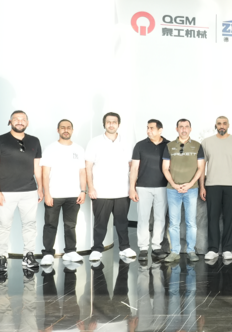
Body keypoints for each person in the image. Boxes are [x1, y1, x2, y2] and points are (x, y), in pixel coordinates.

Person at [0, 110, 43, 271]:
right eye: (16, 119)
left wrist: (40, 187)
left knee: (30, 225)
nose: (20, 121)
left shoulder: (34, 141)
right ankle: (1, 257)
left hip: (29, 191)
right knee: (3, 225)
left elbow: (37, 167)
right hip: (6, 192)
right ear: (10, 121)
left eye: (23, 119)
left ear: (27, 122)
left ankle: (28, 255)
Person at [85, 112, 134, 262]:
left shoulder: (126, 142)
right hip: (101, 191)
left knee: (122, 222)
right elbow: (88, 166)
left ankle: (125, 248)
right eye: (108, 122)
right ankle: (96, 249)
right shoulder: (94, 142)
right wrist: (91, 187)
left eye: (114, 122)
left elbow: (131, 166)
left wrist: (132, 187)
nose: (111, 124)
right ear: (104, 124)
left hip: (122, 190)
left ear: (118, 124)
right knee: (100, 223)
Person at [40, 119, 86, 266]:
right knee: (50, 225)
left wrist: (83, 191)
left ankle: (70, 251)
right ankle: (48, 253)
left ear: (72, 130)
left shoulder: (79, 149)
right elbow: (45, 173)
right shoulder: (50, 148)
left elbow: (82, 172)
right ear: (58, 130)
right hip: (54, 194)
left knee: (70, 225)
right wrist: (47, 193)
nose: (66, 130)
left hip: (74, 194)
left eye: (68, 127)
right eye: (63, 127)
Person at [199, 115, 232, 261]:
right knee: (212, 218)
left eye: (224, 123)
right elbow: (202, 166)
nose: (222, 126)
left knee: (230, 218)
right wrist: (202, 186)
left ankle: (227, 249)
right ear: (216, 125)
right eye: (219, 123)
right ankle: (212, 249)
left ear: (228, 125)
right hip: (212, 184)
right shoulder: (206, 142)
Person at [161, 119, 205, 263]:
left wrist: (190, 184)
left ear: (190, 129)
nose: (184, 129)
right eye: (181, 127)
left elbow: (201, 168)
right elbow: (165, 168)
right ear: (177, 129)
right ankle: (175, 251)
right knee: (174, 222)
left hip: (191, 189)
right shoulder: (169, 146)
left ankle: (191, 250)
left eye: (186, 127)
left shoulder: (197, 146)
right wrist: (174, 185)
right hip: (173, 190)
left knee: (191, 222)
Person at [130, 119, 169, 262]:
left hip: (163, 187)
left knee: (160, 218)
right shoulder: (140, 145)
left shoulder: (169, 145)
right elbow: (134, 168)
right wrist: (132, 188)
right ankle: (143, 248)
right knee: (143, 218)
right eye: (147, 128)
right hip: (143, 187)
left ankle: (157, 247)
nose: (148, 131)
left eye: (151, 128)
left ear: (160, 130)